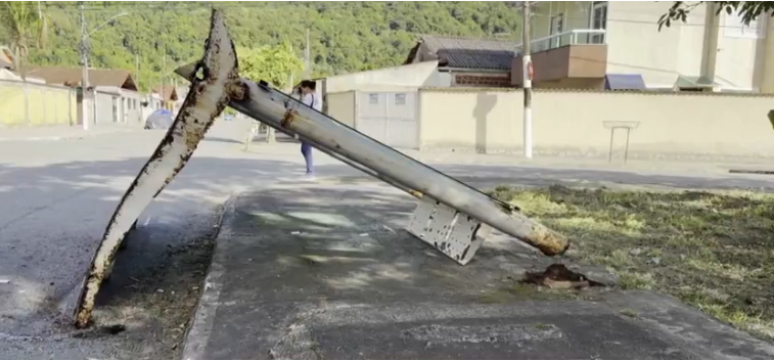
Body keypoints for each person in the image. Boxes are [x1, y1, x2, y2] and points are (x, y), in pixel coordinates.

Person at [298, 80, 323, 179]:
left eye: (302, 88)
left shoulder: (309, 96)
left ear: (307, 88)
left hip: (308, 123)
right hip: (314, 123)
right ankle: (310, 171)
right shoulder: (318, 96)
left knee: (306, 148)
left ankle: (310, 172)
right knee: (305, 148)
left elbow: (302, 109)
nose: (302, 90)